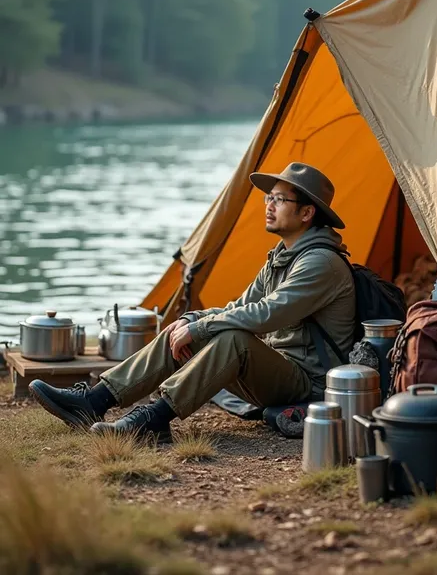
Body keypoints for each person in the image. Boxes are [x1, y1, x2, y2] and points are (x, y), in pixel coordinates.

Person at [30, 162, 356, 442]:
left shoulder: (320, 263)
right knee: (186, 325)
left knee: (232, 338)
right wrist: (192, 321)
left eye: (280, 199)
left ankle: (153, 421)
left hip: (310, 387)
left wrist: (201, 327)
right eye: (269, 197)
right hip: (277, 372)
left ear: (306, 213)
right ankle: (95, 400)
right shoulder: (282, 257)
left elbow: (266, 315)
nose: (269, 204)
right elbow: (239, 307)